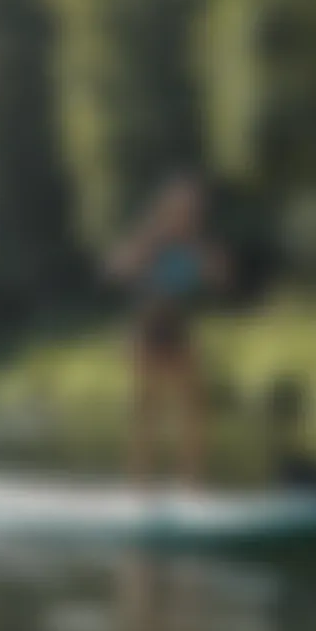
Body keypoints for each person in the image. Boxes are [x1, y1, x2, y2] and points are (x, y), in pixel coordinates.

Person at [106, 172, 228, 488]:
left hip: (179, 330)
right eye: (182, 208)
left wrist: (208, 257)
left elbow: (220, 277)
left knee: (194, 408)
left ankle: (191, 481)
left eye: (192, 209)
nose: (188, 214)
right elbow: (118, 268)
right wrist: (144, 245)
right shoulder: (153, 240)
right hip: (147, 330)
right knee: (148, 411)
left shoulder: (195, 245)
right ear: (167, 209)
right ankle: (139, 483)